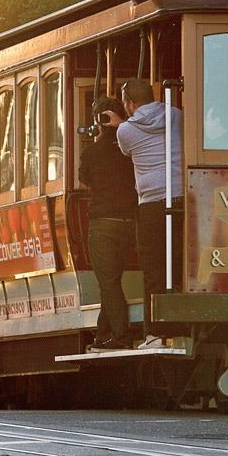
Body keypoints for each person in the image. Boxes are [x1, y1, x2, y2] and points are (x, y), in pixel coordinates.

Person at [103, 78, 184, 346]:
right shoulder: (176, 116)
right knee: (181, 262)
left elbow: (127, 152)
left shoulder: (125, 131)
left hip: (151, 204)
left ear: (130, 103)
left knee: (153, 268)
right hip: (182, 197)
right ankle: (185, 324)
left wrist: (116, 124)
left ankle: (156, 332)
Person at [78, 96, 138, 351]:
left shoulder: (92, 151)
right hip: (128, 223)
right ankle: (103, 334)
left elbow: (85, 179)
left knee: (109, 282)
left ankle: (122, 337)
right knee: (110, 279)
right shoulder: (132, 146)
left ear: (98, 120)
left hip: (103, 225)